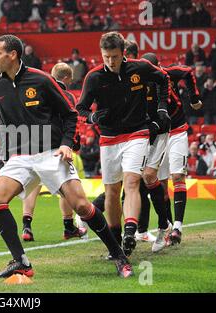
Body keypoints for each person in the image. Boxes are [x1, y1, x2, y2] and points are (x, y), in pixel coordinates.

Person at [0, 34, 133, 279]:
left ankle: (119, 255)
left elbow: (69, 113)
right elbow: (3, 125)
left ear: (12, 55)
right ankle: (21, 261)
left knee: (81, 205)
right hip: (21, 156)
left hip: (52, 152)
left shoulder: (42, 80)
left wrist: (67, 144)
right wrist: (5, 152)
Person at [77, 32, 171, 258]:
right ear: (101, 54)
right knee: (111, 190)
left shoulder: (140, 68)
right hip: (109, 138)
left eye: (115, 57)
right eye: (106, 56)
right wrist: (92, 118)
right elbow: (81, 109)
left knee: (131, 181)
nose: (111, 61)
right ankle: (116, 241)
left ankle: (130, 232)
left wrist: (162, 107)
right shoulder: (93, 77)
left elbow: (163, 79)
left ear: (123, 54)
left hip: (137, 133)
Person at [20, 62, 87, 242]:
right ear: (66, 78)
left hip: (33, 146)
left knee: (32, 187)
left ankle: (27, 226)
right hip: (56, 148)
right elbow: (70, 120)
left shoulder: (37, 91)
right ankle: (68, 227)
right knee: (65, 187)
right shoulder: (67, 95)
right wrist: (73, 142)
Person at [141, 54, 203, 246]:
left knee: (178, 177)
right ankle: (166, 226)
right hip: (159, 136)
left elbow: (188, 71)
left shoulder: (169, 73)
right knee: (160, 183)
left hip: (177, 131)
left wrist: (194, 97)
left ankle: (177, 227)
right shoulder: (141, 84)